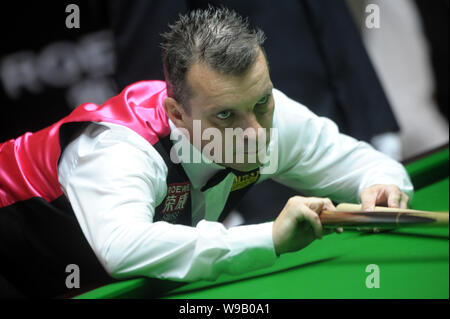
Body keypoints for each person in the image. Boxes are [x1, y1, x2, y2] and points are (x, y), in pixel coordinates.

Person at [0, 8, 412, 298]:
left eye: (262, 102)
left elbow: (365, 164)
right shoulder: (118, 148)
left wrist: (381, 186)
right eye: (226, 115)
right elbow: (124, 247)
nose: (254, 134)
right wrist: (270, 237)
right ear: (177, 114)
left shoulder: (264, 113)